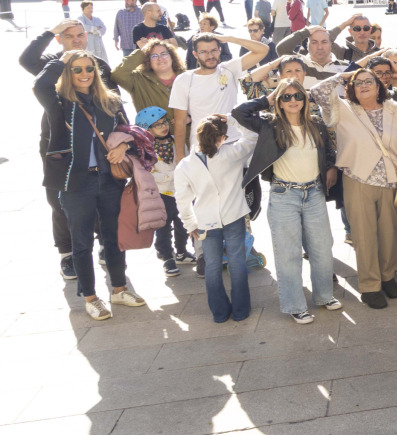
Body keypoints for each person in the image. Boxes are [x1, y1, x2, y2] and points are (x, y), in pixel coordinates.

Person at [34, 51, 147, 320]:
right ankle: (90, 297)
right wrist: (63, 59)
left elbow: (131, 132)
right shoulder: (59, 103)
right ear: (67, 73)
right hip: (76, 182)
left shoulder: (110, 100)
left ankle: (119, 290)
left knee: (113, 238)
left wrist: (123, 144)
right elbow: (39, 85)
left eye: (89, 68)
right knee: (81, 242)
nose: (84, 74)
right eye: (76, 69)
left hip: (110, 179)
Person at [234, 80, 342, 323]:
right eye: (286, 97)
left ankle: (324, 296)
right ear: (279, 102)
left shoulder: (316, 125)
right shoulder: (270, 126)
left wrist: (331, 167)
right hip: (284, 196)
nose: (293, 100)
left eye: (297, 96)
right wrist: (268, 98)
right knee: (288, 253)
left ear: (304, 99)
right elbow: (239, 113)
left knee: (322, 249)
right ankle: (295, 304)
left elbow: (329, 151)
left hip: (313, 193)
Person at [313, 68, 397, 307]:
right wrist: (344, 76)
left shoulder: (393, 109)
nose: (364, 85)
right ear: (351, 88)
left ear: (379, 86)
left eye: (370, 81)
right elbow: (318, 92)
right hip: (357, 179)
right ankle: (369, 286)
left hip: (389, 180)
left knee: (388, 234)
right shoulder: (343, 110)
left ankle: (387, 277)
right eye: (359, 83)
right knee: (364, 236)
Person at [174, 114, 257, 322]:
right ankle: (241, 311)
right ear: (222, 137)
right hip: (234, 216)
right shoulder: (232, 153)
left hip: (205, 221)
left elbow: (182, 200)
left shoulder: (185, 165)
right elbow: (253, 136)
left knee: (212, 267)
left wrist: (190, 224)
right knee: (237, 263)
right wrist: (233, 119)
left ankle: (219, 314)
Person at [169, 33, 269, 164]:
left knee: (242, 185)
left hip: (235, 144)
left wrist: (230, 38)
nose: (210, 56)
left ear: (220, 50)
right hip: (202, 147)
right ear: (195, 54)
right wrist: (181, 157)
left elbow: (263, 50)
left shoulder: (229, 69)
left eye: (213, 50)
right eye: (204, 52)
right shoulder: (184, 80)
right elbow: (180, 122)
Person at [134, 106, 192, 276]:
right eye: (157, 125)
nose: (163, 126)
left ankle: (182, 252)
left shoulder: (176, 140)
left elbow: (186, 159)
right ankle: (167, 258)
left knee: (184, 223)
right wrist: (177, 174)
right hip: (160, 194)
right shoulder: (145, 149)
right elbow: (151, 174)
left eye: (164, 122)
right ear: (148, 130)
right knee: (163, 226)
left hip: (180, 191)